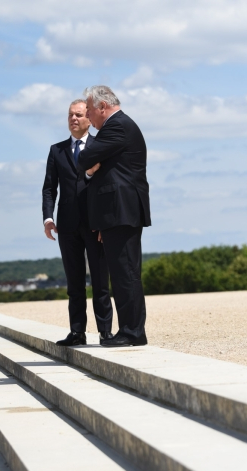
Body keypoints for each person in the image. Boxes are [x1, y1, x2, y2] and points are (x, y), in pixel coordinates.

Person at [77, 85, 151, 347]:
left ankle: (132, 331)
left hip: (122, 210)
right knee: (122, 272)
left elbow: (83, 157)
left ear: (102, 107)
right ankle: (130, 330)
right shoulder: (116, 126)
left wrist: (91, 162)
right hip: (116, 212)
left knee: (125, 272)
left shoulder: (116, 126)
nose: (87, 116)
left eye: (88, 109)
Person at [42, 99, 113, 346]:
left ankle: (106, 332)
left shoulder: (101, 146)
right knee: (74, 283)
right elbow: (49, 189)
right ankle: (77, 332)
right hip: (67, 226)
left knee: (100, 281)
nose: (73, 119)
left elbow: (107, 187)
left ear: (88, 119)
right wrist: (48, 218)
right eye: (70, 115)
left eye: (79, 115)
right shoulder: (56, 150)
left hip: (96, 225)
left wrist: (107, 223)